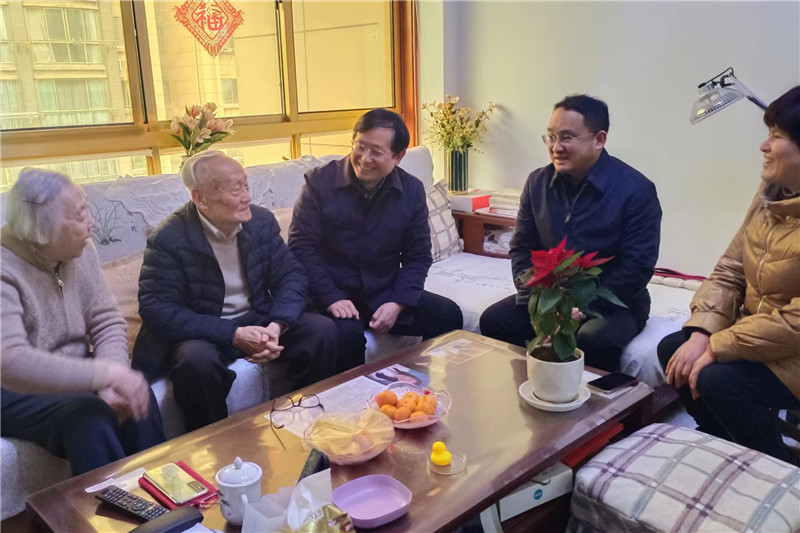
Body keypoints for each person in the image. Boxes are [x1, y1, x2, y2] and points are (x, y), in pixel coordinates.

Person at [132, 151, 337, 431]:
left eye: (246, 185)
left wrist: (277, 325)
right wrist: (233, 334)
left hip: (259, 317)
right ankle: (215, 442)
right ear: (200, 197)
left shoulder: (260, 222)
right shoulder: (168, 238)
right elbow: (157, 309)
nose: (247, 197)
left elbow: (292, 275)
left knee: (322, 330)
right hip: (206, 330)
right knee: (196, 362)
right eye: (235, 189)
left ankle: (307, 425)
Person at [658, 86, 800, 465]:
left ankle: (776, 467)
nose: (763, 146)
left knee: (719, 380)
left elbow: (795, 323)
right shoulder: (771, 193)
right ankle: (726, 444)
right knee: (674, 351)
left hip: (793, 347)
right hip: (761, 337)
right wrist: (703, 333)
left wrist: (719, 347)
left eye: (776, 136)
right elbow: (730, 269)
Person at [480, 95, 662, 371]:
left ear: (599, 139)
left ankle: (594, 400)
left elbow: (637, 266)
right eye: (551, 137)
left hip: (614, 302)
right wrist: (537, 304)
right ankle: (525, 390)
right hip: (551, 295)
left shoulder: (636, 190)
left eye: (566, 137)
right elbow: (522, 249)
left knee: (592, 339)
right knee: (496, 320)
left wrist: (581, 310)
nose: (556, 147)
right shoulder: (537, 183)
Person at [1, 168, 164, 475]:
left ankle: (168, 492)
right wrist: (103, 376)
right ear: (41, 231)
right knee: (88, 415)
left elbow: (106, 320)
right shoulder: (4, 268)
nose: (92, 223)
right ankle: (106, 506)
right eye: (79, 215)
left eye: (87, 208)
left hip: (72, 366)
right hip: (10, 388)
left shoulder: (82, 249)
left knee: (136, 396)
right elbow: (10, 361)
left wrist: (114, 376)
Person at [289, 109, 463, 372]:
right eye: (360, 147)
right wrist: (331, 297)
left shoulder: (411, 190)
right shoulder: (319, 182)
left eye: (377, 152)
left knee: (447, 314)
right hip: (333, 294)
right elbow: (301, 247)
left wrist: (398, 302)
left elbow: (417, 257)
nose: (365, 158)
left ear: (398, 156)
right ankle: (354, 398)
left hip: (385, 291)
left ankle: (421, 391)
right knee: (344, 337)